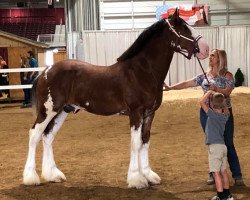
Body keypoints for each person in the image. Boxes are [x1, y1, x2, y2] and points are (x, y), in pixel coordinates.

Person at [164, 49, 244, 186]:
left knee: (228, 143)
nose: (210, 57)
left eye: (213, 55)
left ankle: (237, 175)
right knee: (213, 142)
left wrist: (216, 89)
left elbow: (228, 92)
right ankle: (214, 173)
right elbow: (187, 83)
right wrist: (171, 87)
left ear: (220, 59)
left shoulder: (228, 76)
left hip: (225, 113)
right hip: (207, 113)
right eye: (210, 55)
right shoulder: (203, 76)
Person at [200, 90, 233, 200]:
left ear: (212, 104)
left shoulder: (212, 114)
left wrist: (209, 92)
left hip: (214, 147)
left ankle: (220, 196)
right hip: (223, 147)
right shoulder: (226, 116)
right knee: (223, 172)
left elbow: (201, 102)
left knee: (216, 173)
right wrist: (220, 98)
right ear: (223, 104)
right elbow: (225, 107)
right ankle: (228, 195)